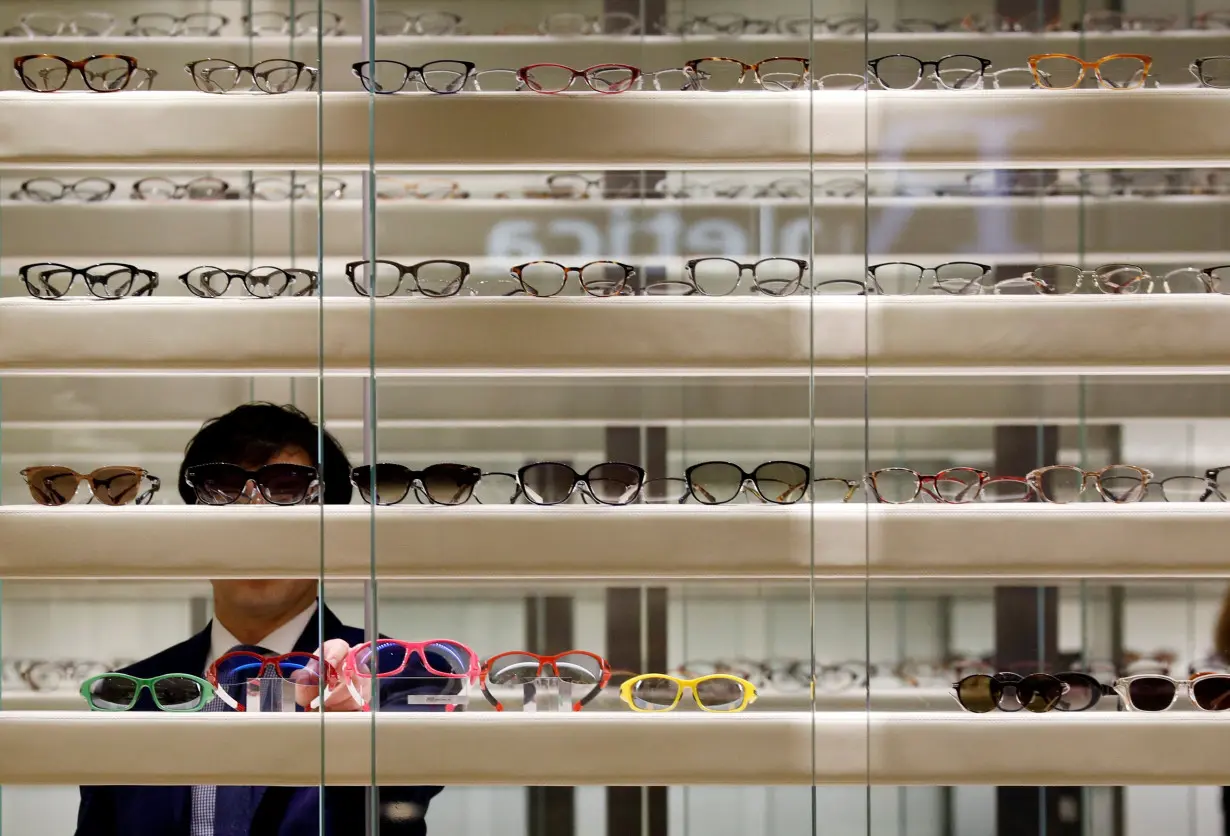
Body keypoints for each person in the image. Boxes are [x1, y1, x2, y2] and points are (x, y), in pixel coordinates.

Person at [75, 402, 446, 836]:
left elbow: (404, 797)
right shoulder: (127, 695)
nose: (257, 525)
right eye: (226, 491)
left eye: (287, 490)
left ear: (334, 531)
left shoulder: (399, 672)